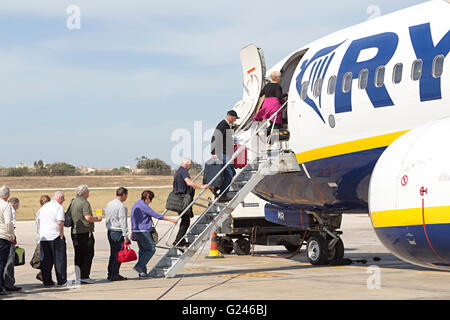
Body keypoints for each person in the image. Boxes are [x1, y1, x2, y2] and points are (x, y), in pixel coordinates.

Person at [131, 190, 177, 278]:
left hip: (136, 231)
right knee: (151, 249)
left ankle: (142, 273)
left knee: (143, 251)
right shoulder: (143, 206)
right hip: (143, 231)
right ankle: (139, 266)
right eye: (150, 199)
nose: (150, 202)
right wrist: (171, 220)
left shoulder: (136, 204)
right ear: (147, 198)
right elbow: (157, 215)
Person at [172, 157, 208, 248]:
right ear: (187, 164)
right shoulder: (183, 171)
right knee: (186, 220)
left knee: (185, 219)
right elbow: (189, 182)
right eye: (190, 165)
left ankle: (181, 239)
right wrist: (201, 187)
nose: (190, 167)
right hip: (183, 199)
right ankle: (178, 241)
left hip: (178, 199)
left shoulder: (177, 171)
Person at [70, 184, 102, 284]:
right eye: (88, 191)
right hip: (84, 232)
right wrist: (97, 219)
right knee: (88, 254)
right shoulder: (84, 202)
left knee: (78, 254)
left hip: (75, 231)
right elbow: (88, 217)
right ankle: (84, 276)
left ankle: (78, 275)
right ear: (84, 193)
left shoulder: (73, 201)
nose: (89, 193)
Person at [39, 191, 67, 287]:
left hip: (44, 237)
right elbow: (60, 222)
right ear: (59, 198)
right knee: (60, 259)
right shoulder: (59, 207)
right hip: (55, 236)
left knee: (46, 260)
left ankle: (47, 281)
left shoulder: (44, 207)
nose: (64, 201)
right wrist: (61, 234)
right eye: (63, 199)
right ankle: (61, 280)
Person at [210, 110, 239, 202]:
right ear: (230, 117)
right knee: (229, 174)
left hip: (225, 153)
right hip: (221, 153)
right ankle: (222, 194)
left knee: (232, 173)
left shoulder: (227, 126)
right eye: (234, 118)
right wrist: (213, 152)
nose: (235, 120)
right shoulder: (223, 125)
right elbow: (215, 138)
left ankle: (215, 187)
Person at [253, 70, 288, 143]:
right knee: (277, 123)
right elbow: (279, 97)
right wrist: (287, 94)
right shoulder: (277, 86)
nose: (281, 78)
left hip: (266, 104)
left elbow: (261, 94)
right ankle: (265, 132)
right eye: (280, 77)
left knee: (272, 122)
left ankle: (267, 136)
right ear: (277, 78)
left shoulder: (267, 86)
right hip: (274, 105)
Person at [105, 187, 130, 281]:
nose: (126, 197)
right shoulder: (121, 207)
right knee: (119, 254)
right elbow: (123, 222)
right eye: (126, 195)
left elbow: (105, 215)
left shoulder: (109, 204)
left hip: (110, 230)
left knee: (113, 253)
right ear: (123, 195)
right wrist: (126, 236)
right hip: (118, 232)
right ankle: (115, 274)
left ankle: (111, 273)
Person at [3, 197, 21, 292]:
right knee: (9, 261)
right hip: (7, 238)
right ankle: (8, 283)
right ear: (15, 204)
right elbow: (10, 225)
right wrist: (12, 238)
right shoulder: (11, 210)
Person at [33, 195, 51, 282]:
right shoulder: (43, 211)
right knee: (46, 259)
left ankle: (43, 275)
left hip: (41, 237)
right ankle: (43, 275)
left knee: (47, 259)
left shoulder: (40, 211)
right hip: (43, 238)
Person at [0, 185, 14, 295]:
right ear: (8, 195)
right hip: (3, 236)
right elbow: (8, 222)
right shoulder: (6, 206)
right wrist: (11, 235)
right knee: (1, 262)